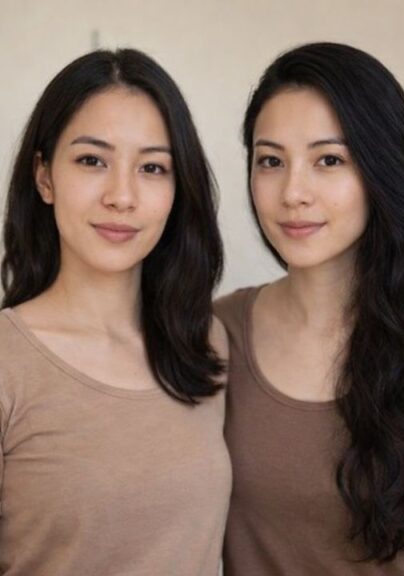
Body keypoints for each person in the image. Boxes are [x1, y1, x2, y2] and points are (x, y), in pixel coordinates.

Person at [214, 43, 404, 576]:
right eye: (271, 161)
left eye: (329, 160)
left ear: (381, 170)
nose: (293, 192)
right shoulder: (214, 335)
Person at [0, 49, 229, 575]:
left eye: (152, 167)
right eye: (91, 160)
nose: (122, 196)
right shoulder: (10, 361)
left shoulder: (205, 343)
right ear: (44, 177)